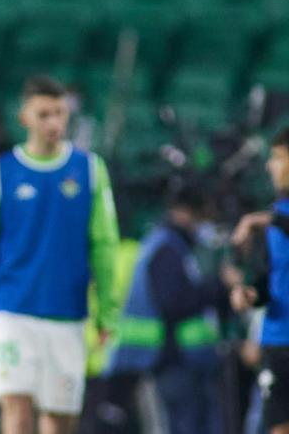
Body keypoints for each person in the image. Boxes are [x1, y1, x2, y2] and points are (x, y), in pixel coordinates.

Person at [0, 75, 119, 434]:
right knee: (16, 406)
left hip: (67, 313)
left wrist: (107, 311)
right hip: (12, 311)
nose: (54, 123)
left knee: (59, 419)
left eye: (59, 113)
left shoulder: (90, 170)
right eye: (44, 114)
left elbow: (105, 247)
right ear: (25, 117)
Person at [106, 183, 239, 434]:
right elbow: (175, 301)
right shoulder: (166, 247)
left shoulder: (171, 244)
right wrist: (220, 285)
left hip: (182, 358)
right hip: (172, 359)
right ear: (186, 212)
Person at [230, 127, 289, 434]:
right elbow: (268, 281)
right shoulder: (275, 215)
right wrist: (251, 295)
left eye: (278, 158)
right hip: (278, 341)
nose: (270, 166)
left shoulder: (273, 220)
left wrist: (258, 220)